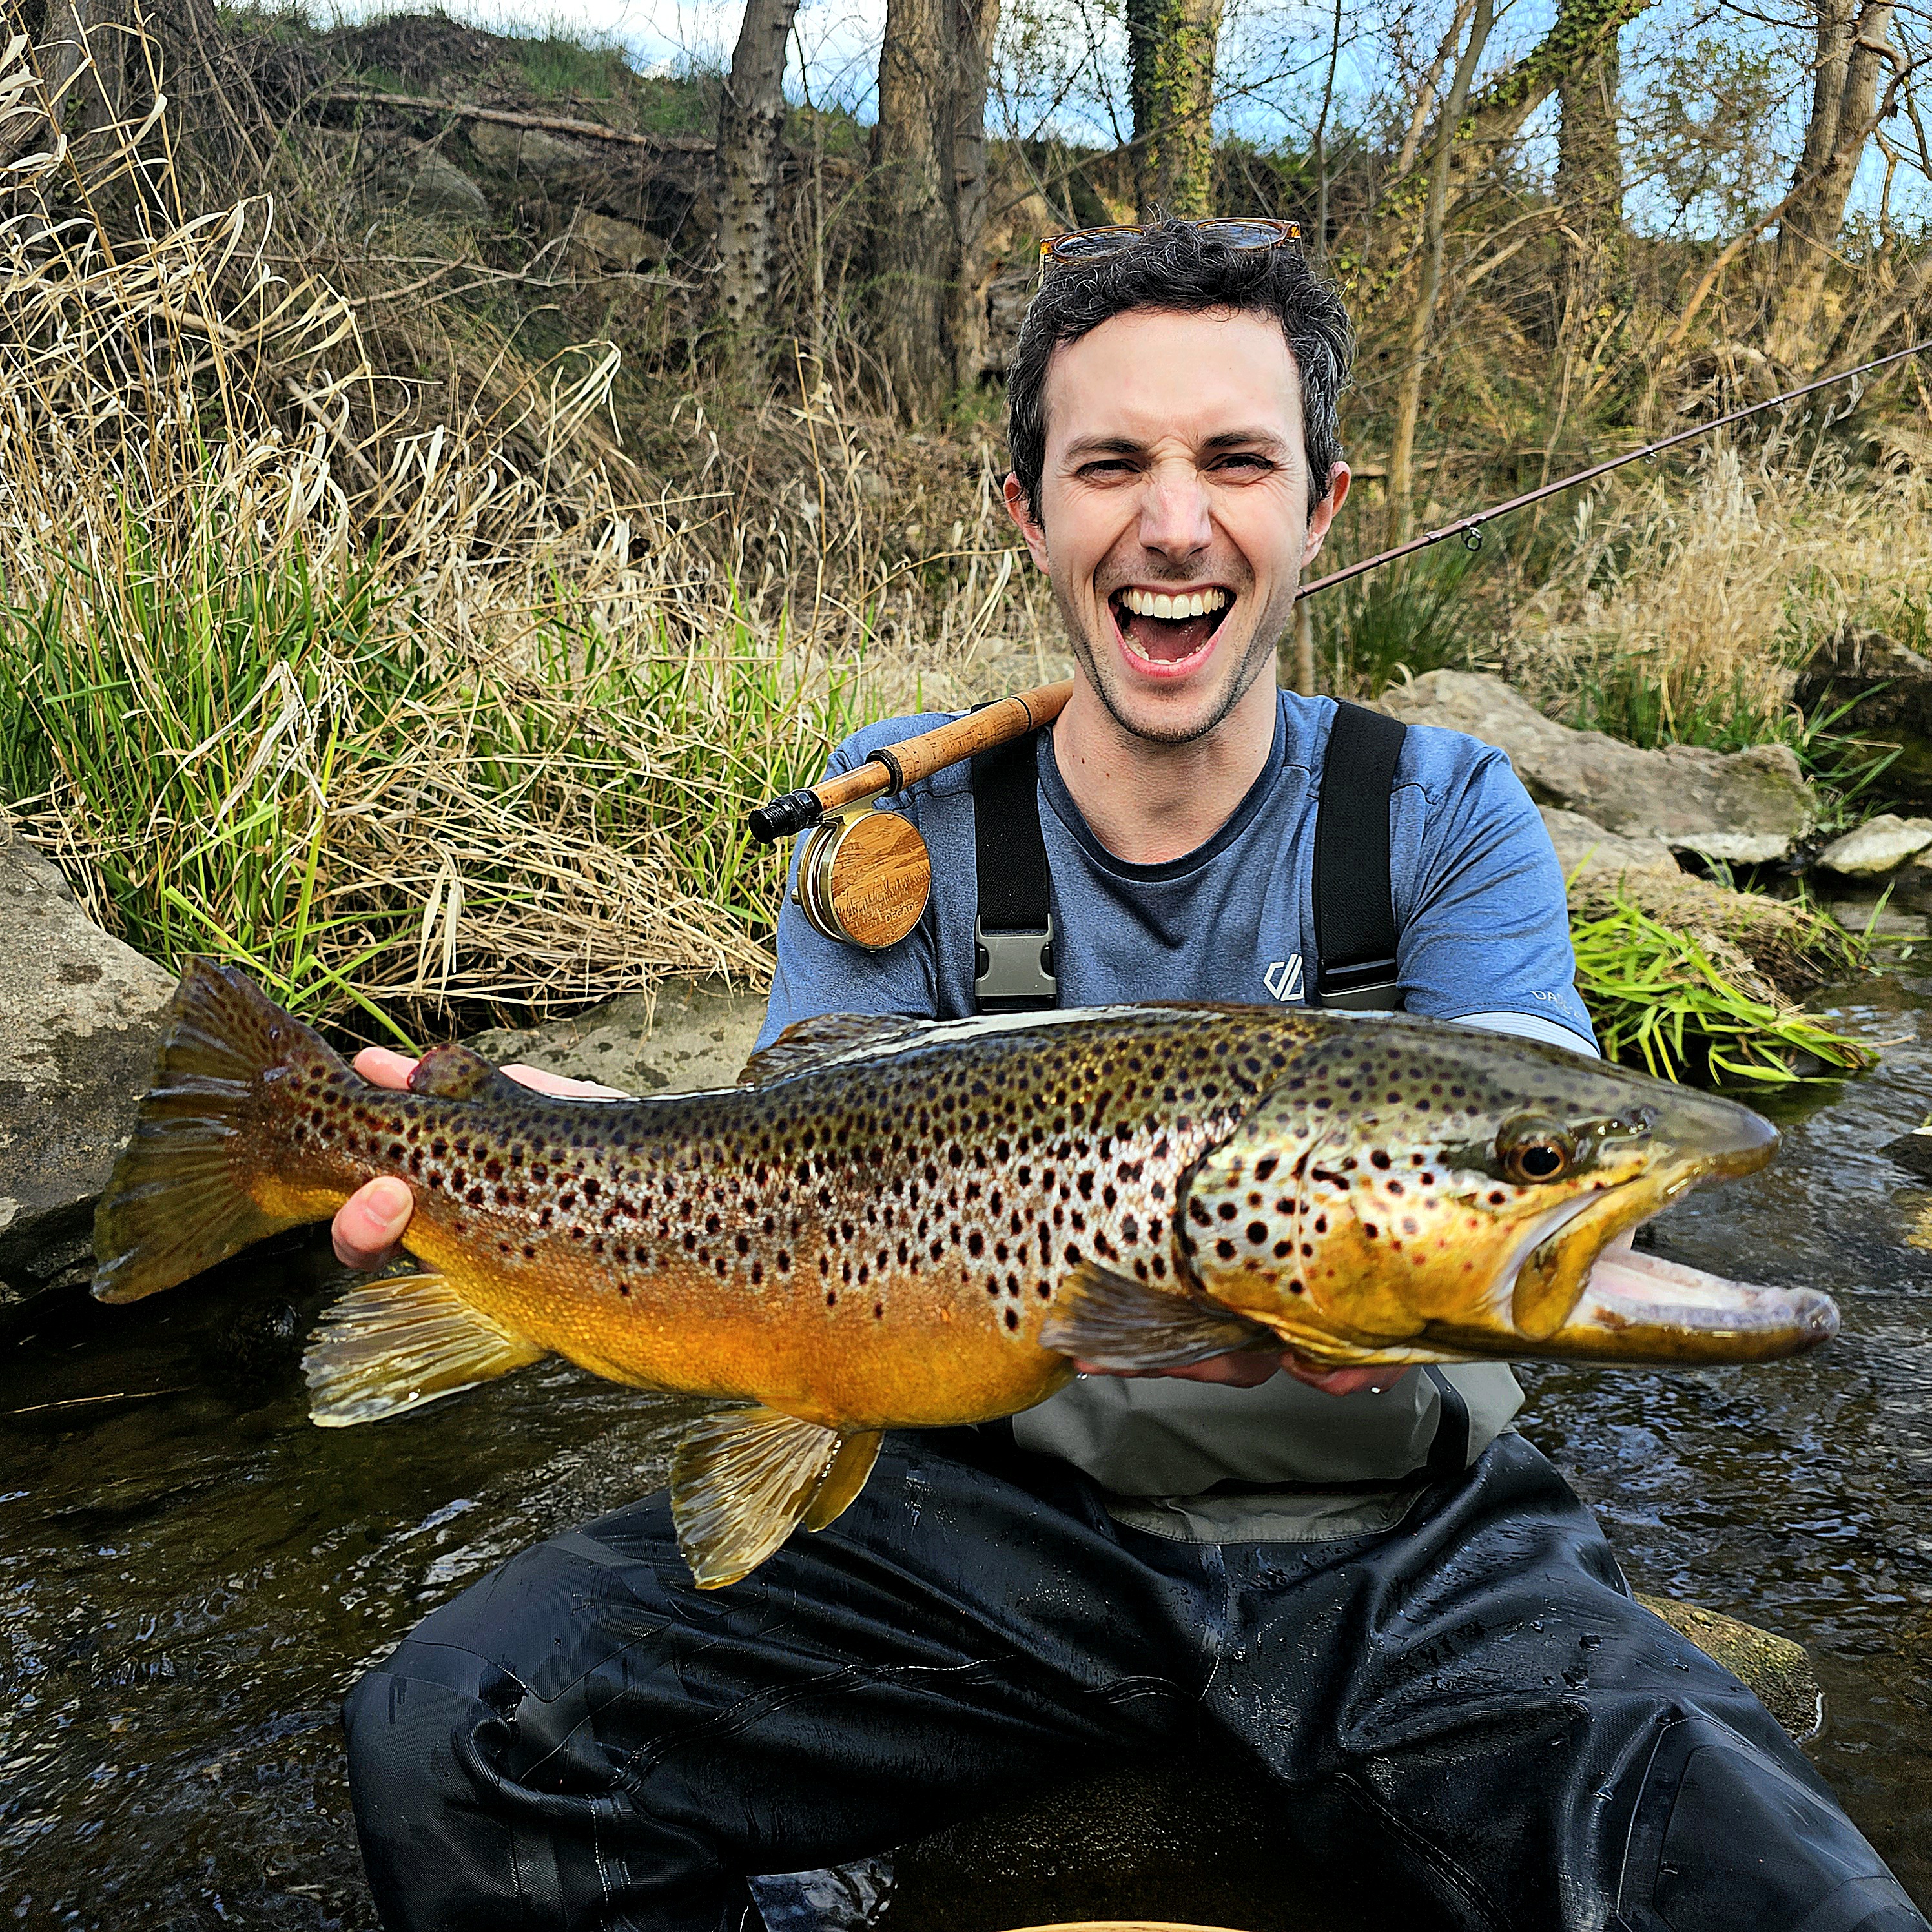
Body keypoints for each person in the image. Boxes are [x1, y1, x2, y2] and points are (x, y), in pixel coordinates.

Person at [335, 220, 1926, 1931]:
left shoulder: (1447, 810)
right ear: (1031, 511)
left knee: (1773, 1892)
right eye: (1112, 464)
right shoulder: (899, 827)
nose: (1174, 522)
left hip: (1401, 1539)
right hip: (982, 1529)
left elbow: (1513, 1127)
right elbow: (782, 1183)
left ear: (1320, 508)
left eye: (1236, 459)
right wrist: (583, 1170)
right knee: (451, 1734)